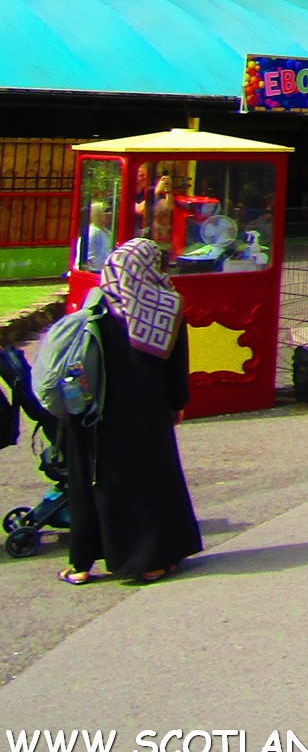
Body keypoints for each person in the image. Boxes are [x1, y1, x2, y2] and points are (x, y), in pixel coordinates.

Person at [56, 238, 204, 585]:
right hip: (145, 413)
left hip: (90, 411)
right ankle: (152, 560)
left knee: (88, 481)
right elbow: (175, 367)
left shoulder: (95, 305)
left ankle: (80, 564)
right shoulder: (167, 305)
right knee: (147, 482)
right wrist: (177, 404)